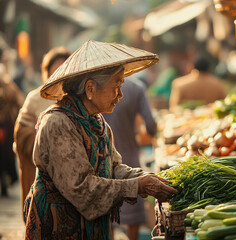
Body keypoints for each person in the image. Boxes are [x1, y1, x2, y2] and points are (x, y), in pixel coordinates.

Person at [23, 40, 177, 239]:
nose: (120, 94)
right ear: (90, 88)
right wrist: (137, 185)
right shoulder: (58, 124)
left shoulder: (97, 121)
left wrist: (143, 177)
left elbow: (113, 168)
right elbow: (82, 188)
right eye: (117, 86)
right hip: (59, 228)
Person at [14, 46, 70, 213]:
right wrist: (47, 140)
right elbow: (21, 133)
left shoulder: (74, 99)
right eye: (55, 68)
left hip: (67, 173)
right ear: (47, 70)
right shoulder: (35, 97)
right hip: (38, 173)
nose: (59, 72)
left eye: (63, 67)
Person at [103, 76, 157, 240]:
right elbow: (151, 125)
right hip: (129, 155)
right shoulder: (136, 88)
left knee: (107, 211)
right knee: (132, 209)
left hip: (103, 158)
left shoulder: (96, 88)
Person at [0, 41, 24, 196]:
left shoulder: (8, 76)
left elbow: (18, 99)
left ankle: (6, 180)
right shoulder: (5, 76)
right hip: (5, 122)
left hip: (5, 123)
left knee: (6, 154)